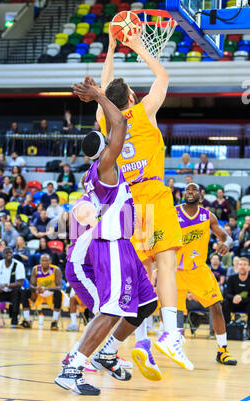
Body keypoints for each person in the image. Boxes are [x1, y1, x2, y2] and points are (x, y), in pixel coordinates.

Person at [55, 77, 161, 396]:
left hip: (124, 246)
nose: (115, 139)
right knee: (112, 309)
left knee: (145, 305)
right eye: (110, 140)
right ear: (106, 149)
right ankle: (72, 367)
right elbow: (118, 124)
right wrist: (101, 95)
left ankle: (107, 352)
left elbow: (116, 126)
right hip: (111, 246)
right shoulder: (105, 167)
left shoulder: (98, 170)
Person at [95, 26, 190, 368]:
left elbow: (104, 91)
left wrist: (109, 46)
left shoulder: (107, 120)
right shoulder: (145, 110)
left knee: (144, 276)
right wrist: (139, 48)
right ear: (133, 98)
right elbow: (163, 76)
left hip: (129, 205)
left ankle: (143, 343)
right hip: (152, 193)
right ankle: (171, 334)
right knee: (165, 263)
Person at [176, 183, 236, 365]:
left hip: (198, 268)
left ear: (201, 197)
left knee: (216, 305)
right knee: (166, 309)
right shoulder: (172, 213)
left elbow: (227, 237)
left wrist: (227, 243)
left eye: (194, 189)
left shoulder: (207, 216)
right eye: (187, 190)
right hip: (175, 269)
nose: (190, 192)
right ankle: (166, 344)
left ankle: (222, 350)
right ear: (183, 195)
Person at [0, 247, 25, 328]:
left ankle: (14, 319)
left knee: (17, 291)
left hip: (13, 292)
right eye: (7, 253)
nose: (9, 254)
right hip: (2, 291)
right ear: (3, 255)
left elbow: (20, 283)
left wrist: (7, 285)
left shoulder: (19, 265)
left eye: (10, 253)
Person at [28, 253, 63, 330]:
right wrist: (36, 288)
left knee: (58, 294)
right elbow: (31, 285)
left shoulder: (56, 269)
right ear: (40, 261)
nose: (44, 262)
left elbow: (60, 286)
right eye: (42, 260)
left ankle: (54, 321)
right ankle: (26, 320)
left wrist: (46, 288)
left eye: (46, 260)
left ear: (50, 261)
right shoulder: (35, 269)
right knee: (26, 292)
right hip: (39, 293)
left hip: (51, 293)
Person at [223, 257, 250, 335]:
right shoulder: (231, 278)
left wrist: (241, 299)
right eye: (240, 264)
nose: (242, 266)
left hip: (247, 304)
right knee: (225, 302)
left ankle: (248, 329)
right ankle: (227, 328)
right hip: (233, 304)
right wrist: (233, 298)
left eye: (245, 265)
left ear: (249, 267)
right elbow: (226, 293)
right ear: (237, 267)